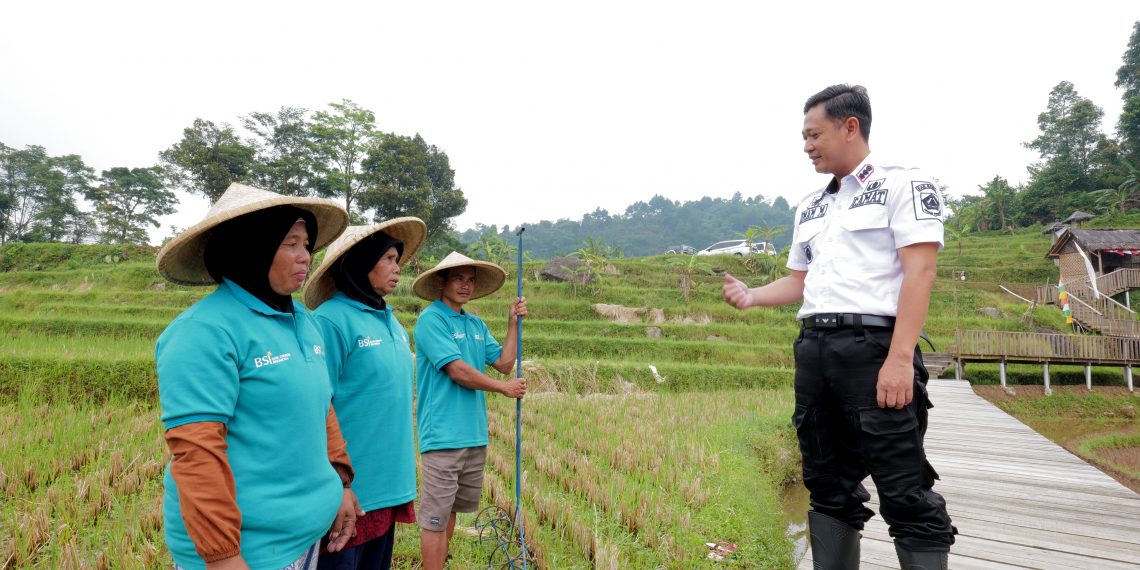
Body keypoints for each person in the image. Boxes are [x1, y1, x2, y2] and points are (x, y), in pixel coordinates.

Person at [722, 85, 956, 569]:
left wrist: (897, 358)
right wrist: (751, 296)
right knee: (826, 484)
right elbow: (797, 281)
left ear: (850, 127)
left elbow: (921, 272)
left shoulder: (903, 185)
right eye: (803, 137)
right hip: (814, 351)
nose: (806, 145)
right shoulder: (810, 205)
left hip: (874, 350)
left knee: (903, 489)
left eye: (814, 134)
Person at [155, 182, 363, 570]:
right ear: (250, 245)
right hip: (248, 553)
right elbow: (197, 453)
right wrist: (223, 557)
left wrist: (341, 483)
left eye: (308, 245)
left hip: (304, 539)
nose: (306, 257)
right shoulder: (204, 332)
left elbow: (322, 407)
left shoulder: (304, 321)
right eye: (290, 243)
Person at [303, 218, 428, 569]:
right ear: (359, 263)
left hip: (389, 484)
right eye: (388, 258)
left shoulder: (392, 321)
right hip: (350, 492)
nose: (397, 267)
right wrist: (337, 484)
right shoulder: (330, 321)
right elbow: (315, 407)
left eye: (397, 259)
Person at [410, 252, 527, 570]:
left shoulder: (475, 324)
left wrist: (512, 324)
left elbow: (504, 363)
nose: (465, 285)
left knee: (450, 512)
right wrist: (503, 389)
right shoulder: (431, 320)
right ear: (441, 282)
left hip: (473, 436)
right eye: (458, 278)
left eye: (471, 279)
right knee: (435, 517)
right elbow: (457, 370)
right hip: (443, 435)